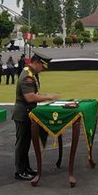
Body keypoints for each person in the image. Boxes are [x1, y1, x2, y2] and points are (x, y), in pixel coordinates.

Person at [11, 51, 59, 181]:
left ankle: (26, 168)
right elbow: (30, 97)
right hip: (23, 114)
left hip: (28, 113)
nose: (43, 69)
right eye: (42, 66)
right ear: (36, 63)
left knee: (26, 143)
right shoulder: (27, 76)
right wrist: (49, 97)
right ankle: (20, 171)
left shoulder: (31, 73)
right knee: (22, 144)